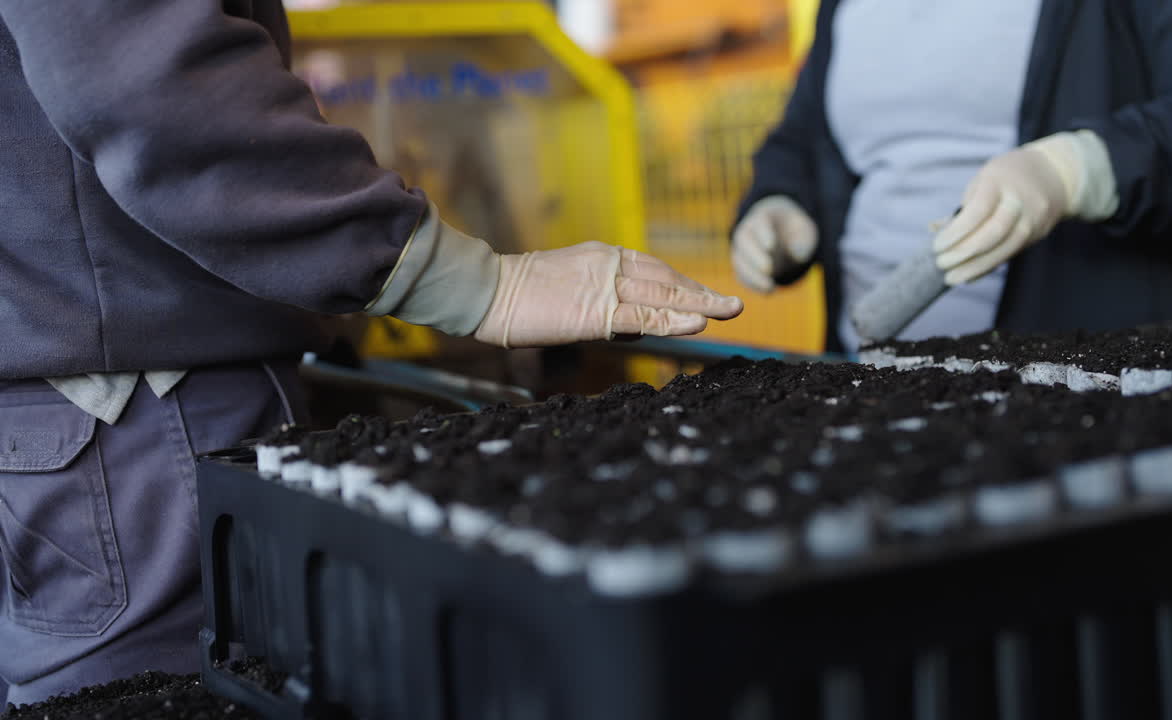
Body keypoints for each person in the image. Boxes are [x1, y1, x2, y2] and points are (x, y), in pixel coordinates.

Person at [0, 1, 742, 706]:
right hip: (139, 415)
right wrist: (476, 284)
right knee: (153, 691)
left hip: (95, 411)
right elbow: (143, 81)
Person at [731, 0, 1172, 355]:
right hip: (869, 377)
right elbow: (805, 134)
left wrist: (1077, 168)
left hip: (1092, 387)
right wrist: (779, 199)